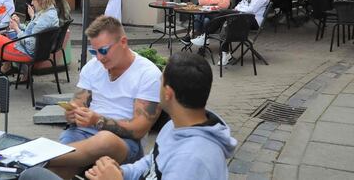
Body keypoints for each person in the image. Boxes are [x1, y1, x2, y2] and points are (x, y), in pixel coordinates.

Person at [21, 53, 237, 180]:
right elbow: (149, 165)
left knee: (32, 176)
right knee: (36, 176)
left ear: (168, 93)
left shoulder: (194, 160)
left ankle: (26, 159)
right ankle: (28, 160)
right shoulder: (175, 127)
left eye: (160, 81)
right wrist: (119, 171)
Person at [45, 15, 161, 179]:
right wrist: (72, 114)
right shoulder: (92, 67)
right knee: (57, 171)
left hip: (123, 143)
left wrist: (97, 120)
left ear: (123, 42)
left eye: (104, 50)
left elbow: (138, 129)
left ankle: (39, 158)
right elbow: (77, 103)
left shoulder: (148, 74)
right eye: (94, 51)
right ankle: (42, 162)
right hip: (82, 134)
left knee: (104, 140)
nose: (99, 57)